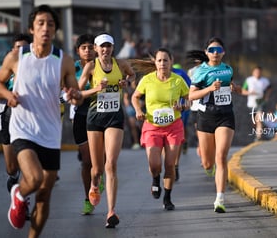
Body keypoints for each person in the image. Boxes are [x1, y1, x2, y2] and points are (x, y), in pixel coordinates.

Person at [0, 4, 83, 237]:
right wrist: (8, 95)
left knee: (44, 196)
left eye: (50, 24)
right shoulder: (17, 57)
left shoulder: (63, 60)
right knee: (33, 178)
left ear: (55, 30)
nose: (45, 28)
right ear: (32, 28)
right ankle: (19, 195)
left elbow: (75, 95)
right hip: (23, 129)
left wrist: (75, 96)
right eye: (40, 23)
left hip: (50, 133)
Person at [78, 32, 135, 228]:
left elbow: (132, 76)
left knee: (111, 164)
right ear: (96, 48)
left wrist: (126, 83)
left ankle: (111, 211)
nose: (105, 49)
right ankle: (94, 184)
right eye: (102, 46)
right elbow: (78, 93)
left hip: (114, 118)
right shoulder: (91, 67)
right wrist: (96, 89)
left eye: (108, 46)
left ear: (113, 47)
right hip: (94, 119)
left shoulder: (121, 64)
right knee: (97, 169)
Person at [131, 48, 189, 211]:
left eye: (165, 60)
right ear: (155, 63)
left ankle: (168, 197)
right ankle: (156, 179)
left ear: (171, 62)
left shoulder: (178, 81)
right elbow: (135, 96)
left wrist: (183, 105)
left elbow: (188, 98)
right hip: (152, 127)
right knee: (154, 164)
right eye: (159, 60)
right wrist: (138, 110)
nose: (162, 63)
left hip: (174, 127)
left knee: (170, 164)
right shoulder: (147, 80)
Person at [188, 37, 242, 213]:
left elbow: (231, 86)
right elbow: (191, 96)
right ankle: (208, 167)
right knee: (208, 162)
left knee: (221, 156)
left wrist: (235, 88)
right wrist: (209, 89)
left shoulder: (228, 69)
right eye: (212, 50)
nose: (215, 53)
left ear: (223, 52)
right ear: (206, 53)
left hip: (225, 116)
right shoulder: (200, 72)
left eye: (218, 50)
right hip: (206, 117)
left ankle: (220, 198)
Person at [0, 33, 31, 194]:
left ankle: (22, 203)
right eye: (18, 47)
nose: (21, 51)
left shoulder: (34, 69)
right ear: (12, 49)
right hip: (6, 119)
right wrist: (9, 95)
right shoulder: (1, 70)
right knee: (11, 167)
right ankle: (13, 177)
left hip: (28, 121)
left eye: (24, 48)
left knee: (28, 164)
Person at [70, 34, 102, 215]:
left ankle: (99, 178)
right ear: (78, 51)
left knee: (102, 160)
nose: (88, 51)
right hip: (81, 116)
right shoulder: (71, 68)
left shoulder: (105, 65)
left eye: (91, 47)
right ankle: (87, 197)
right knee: (87, 162)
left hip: (102, 115)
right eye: (84, 48)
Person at [171, 63, 191, 181]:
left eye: (166, 60)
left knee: (178, 138)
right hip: (160, 116)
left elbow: (190, 92)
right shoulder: (152, 76)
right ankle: (169, 164)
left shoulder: (180, 74)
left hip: (179, 111)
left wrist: (185, 105)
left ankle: (175, 165)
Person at [241, 66, 272, 141]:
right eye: (256, 72)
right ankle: (260, 128)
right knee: (254, 122)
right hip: (251, 104)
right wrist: (249, 92)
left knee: (259, 119)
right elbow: (243, 91)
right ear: (253, 72)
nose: (257, 74)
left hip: (261, 102)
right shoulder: (249, 80)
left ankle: (258, 137)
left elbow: (270, 88)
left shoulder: (265, 80)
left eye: (259, 72)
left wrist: (267, 97)